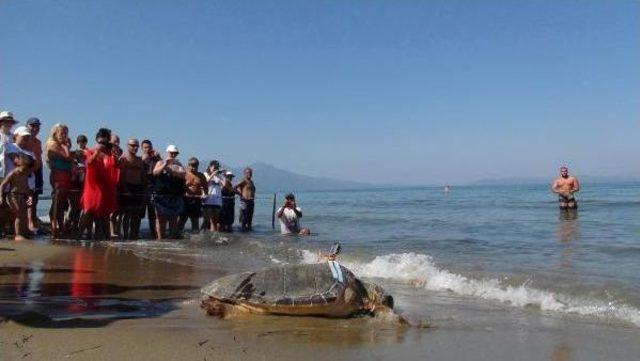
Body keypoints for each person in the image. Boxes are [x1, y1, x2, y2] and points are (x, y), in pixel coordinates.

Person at [79, 128, 120, 239]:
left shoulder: (110, 154)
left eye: (104, 142)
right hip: (92, 186)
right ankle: (79, 235)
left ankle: (105, 237)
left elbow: (116, 167)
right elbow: (89, 163)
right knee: (88, 211)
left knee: (104, 213)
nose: (102, 144)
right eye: (100, 142)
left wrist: (114, 156)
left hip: (106, 187)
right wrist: (97, 152)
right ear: (96, 140)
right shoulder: (90, 151)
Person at [45, 124, 74, 239]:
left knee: (62, 202)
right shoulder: (53, 144)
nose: (64, 135)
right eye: (62, 133)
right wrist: (67, 146)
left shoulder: (60, 145)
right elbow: (67, 157)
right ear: (55, 133)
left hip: (65, 174)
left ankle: (60, 225)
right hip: (58, 175)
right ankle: (54, 226)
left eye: (66, 133)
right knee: (57, 201)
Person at [152, 145, 186, 239]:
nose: (173, 155)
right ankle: (160, 239)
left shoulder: (179, 165)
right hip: (161, 196)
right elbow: (155, 173)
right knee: (160, 220)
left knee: (173, 220)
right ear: (167, 152)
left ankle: (171, 239)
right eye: (172, 153)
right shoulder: (160, 162)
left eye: (175, 153)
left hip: (174, 196)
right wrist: (164, 164)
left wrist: (169, 169)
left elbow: (183, 175)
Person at [0, 154, 34, 241]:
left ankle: (23, 232)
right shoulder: (13, 173)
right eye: (24, 168)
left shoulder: (25, 174)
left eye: (27, 169)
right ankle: (17, 234)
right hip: (13, 196)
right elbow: (3, 185)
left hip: (23, 196)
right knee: (19, 214)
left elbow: (25, 185)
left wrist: (29, 195)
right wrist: (1, 197)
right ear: (20, 164)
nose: (25, 170)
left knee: (23, 214)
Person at [119, 139, 147, 240]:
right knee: (126, 213)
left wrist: (145, 188)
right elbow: (121, 176)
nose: (135, 148)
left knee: (136, 213)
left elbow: (143, 175)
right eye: (133, 145)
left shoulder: (139, 159)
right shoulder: (123, 158)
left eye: (137, 146)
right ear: (128, 145)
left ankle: (133, 235)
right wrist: (125, 189)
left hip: (138, 188)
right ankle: (125, 235)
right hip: (127, 186)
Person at [178, 157, 207, 233]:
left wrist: (206, 195)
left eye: (195, 166)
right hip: (185, 200)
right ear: (188, 165)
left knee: (195, 220)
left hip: (197, 200)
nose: (193, 167)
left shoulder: (201, 176)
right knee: (182, 219)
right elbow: (179, 186)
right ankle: (177, 235)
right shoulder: (184, 174)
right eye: (192, 165)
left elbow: (205, 186)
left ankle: (195, 239)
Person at [66, 135, 88, 234]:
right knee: (72, 207)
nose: (81, 143)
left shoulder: (87, 153)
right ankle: (67, 226)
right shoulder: (73, 153)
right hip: (73, 183)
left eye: (83, 142)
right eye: (80, 142)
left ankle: (75, 227)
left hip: (83, 183)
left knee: (79, 207)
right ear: (77, 142)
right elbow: (71, 165)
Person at [26, 117, 43, 232]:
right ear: (27, 126)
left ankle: (33, 220)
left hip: (38, 171)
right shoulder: (24, 139)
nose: (35, 128)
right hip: (27, 170)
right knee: (28, 197)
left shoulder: (38, 142)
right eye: (32, 126)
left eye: (37, 126)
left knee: (35, 198)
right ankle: (28, 222)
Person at [141, 139, 161, 238]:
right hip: (142, 190)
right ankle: (134, 234)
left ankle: (154, 234)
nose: (148, 149)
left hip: (153, 189)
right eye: (145, 147)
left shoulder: (156, 159)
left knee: (153, 214)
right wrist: (143, 160)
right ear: (142, 149)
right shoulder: (140, 159)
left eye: (149, 147)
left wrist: (159, 157)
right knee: (138, 213)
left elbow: (162, 168)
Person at [202, 160, 223, 232]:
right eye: (214, 167)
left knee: (214, 221)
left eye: (217, 167)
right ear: (210, 166)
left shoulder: (218, 176)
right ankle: (202, 235)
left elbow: (224, 185)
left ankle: (213, 236)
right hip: (208, 200)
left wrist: (223, 174)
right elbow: (205, 182)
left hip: (217, 201)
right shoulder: (205, 174)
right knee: (206, 220)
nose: (216, 169)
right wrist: (213, 174)